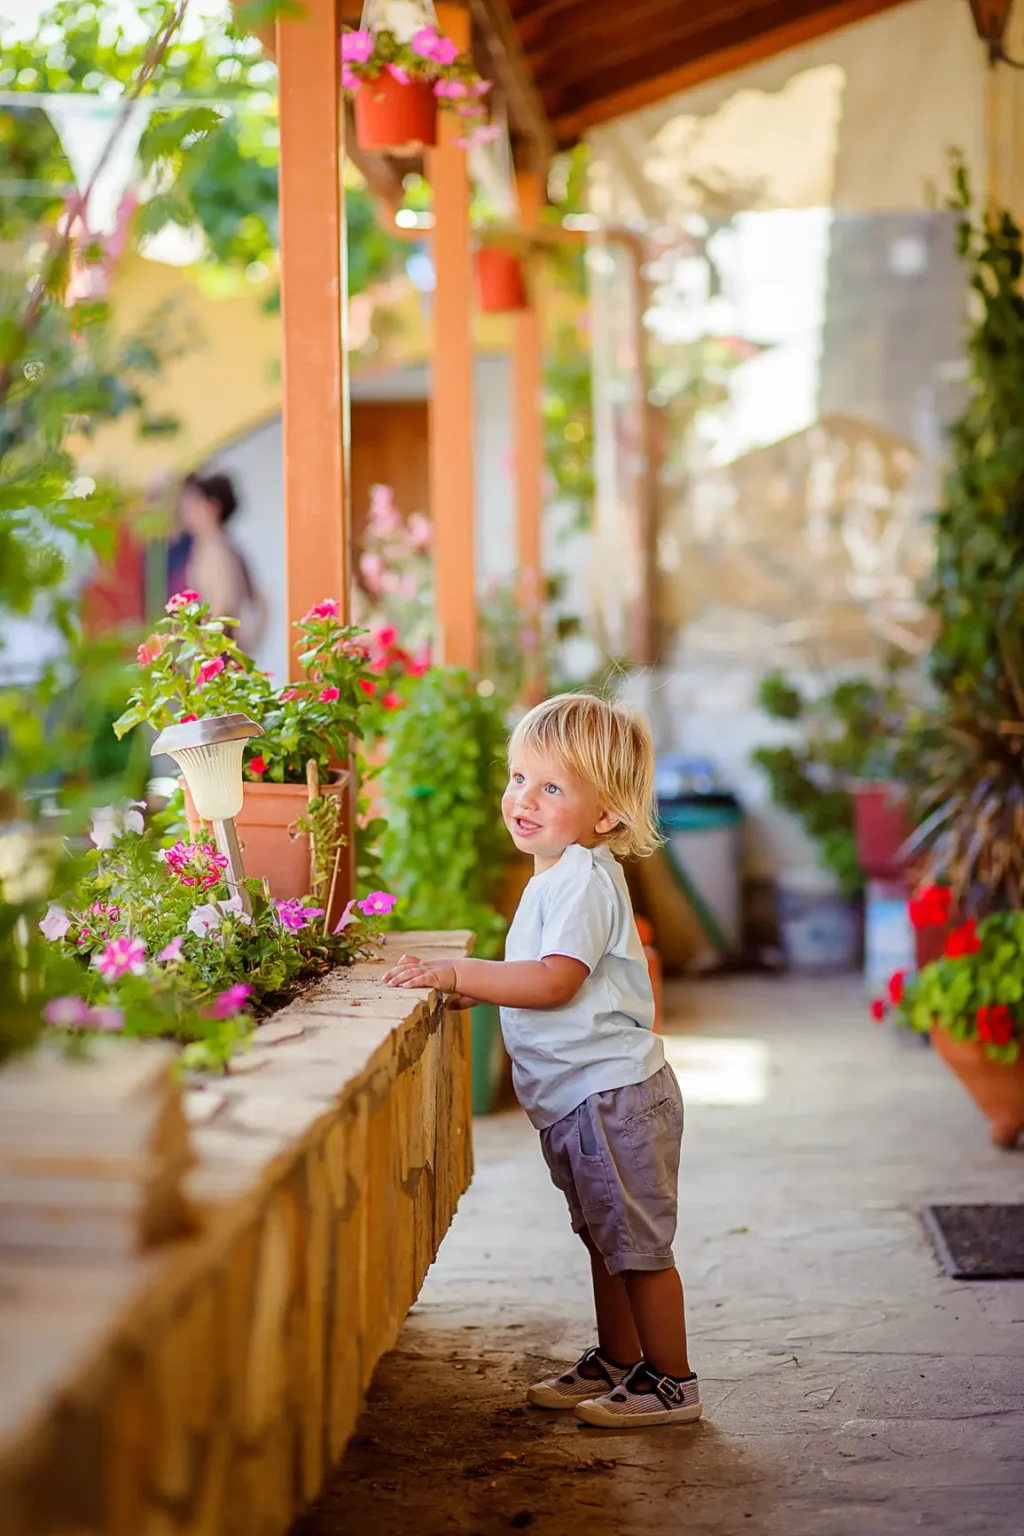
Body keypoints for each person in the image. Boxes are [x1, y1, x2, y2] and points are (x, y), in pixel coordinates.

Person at [383, 693, 701, 1428]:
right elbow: (534, 971)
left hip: (613, 1097)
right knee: (605, 1238)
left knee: (640, 1250)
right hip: (578, 1101)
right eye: (518, 777)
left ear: (608, 815)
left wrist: (462, 976)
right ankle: (622, 1361)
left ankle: (673, 1382)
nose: (522, 799)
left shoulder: (586, 878)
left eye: (551, 787)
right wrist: (482, 986)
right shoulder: (555, 875)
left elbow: (556, 980)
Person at [172, 472, 265, 653]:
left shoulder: (216, 550)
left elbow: (223, 605)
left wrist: (202, 647)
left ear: (212, 507)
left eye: (192, 505)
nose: (186, 513)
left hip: (213, 656)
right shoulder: (211, 547)